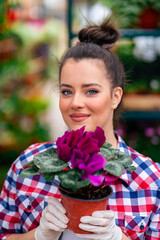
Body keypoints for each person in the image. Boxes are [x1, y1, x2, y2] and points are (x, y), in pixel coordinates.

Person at [0, 17, 160, 240]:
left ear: (115, 96)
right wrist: (39, 235)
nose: (75, 102)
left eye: (91, 91)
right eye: (66, 91)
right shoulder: (27, 165)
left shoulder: (150, 180)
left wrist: (118, 238)